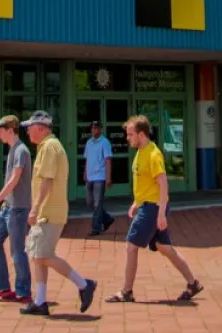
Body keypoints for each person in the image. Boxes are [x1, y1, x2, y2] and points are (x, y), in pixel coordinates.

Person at [106, 115, 203, 304]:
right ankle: (193, 283)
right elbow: (145, 183)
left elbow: (163, 184)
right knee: (164, 247)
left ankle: (126, 291)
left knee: (131, 246)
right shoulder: (140, 153)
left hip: (152, 208)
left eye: (131, 134)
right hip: (146, 205)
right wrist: (136, 202)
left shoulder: (153, 154)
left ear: (141, 134)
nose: (128, 138)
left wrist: (160, 214)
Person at [19, 110, 97, 318]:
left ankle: (84, 284)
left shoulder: (50, 147)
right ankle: (40, 301)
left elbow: (47, 180)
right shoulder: (47, 146)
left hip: (49, 212)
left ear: (41, 128)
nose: (27, 132)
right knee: (37, 256)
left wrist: (35, 208)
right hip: (47, 211)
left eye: (30, 128)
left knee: (43, 255)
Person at [0, 114, 32, 303]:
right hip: (7, 208)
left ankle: (23, 291)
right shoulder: (13, 150)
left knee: (17, 250)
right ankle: (2, 287)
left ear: (10, 130)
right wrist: (1, 204)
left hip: (18, 209)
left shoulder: (21, 151)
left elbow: (14, 180)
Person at [83, 120, 114, 237]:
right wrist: (85, 172)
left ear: (100, 129)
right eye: (92, 128)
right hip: (90, 177)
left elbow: (108, 161)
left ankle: (96, 228)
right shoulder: (89, 143)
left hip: (100, 177)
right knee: (89, 202)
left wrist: (108, 178)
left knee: (97, 203)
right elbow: (87, 159)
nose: (93, 130)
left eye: (96, 128)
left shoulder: (105, 142)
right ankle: (108, 219)